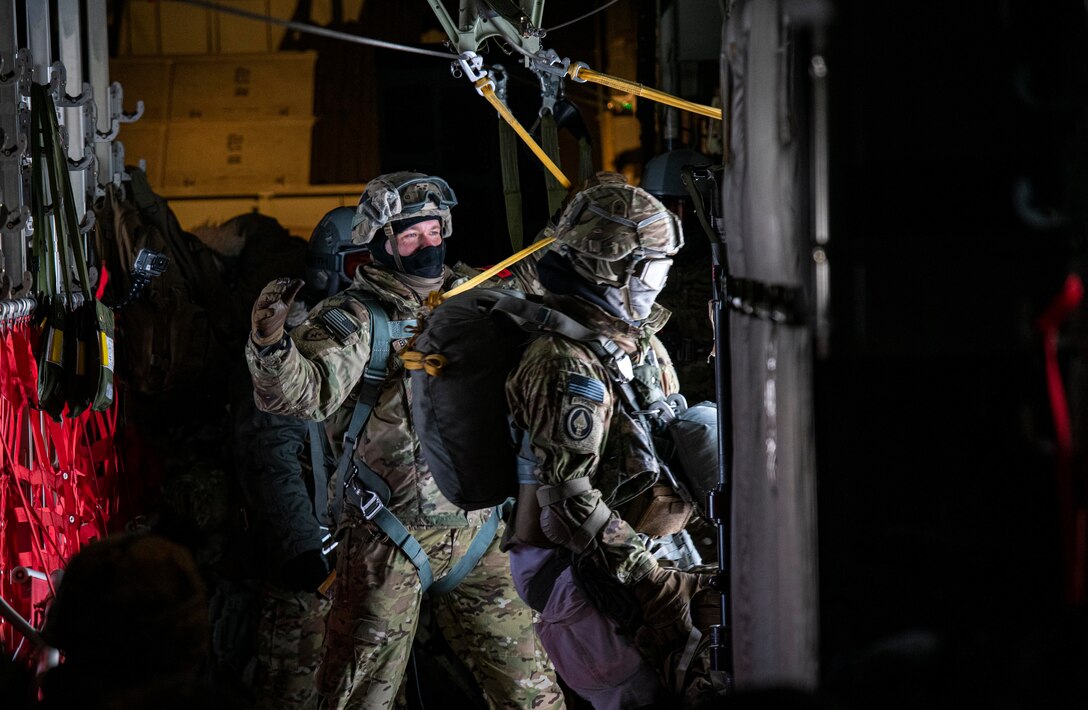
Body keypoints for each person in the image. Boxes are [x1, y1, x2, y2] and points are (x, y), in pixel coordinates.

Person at [245, 172, 565, 710]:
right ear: (382, 241)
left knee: (531, 689)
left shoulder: (479, 295)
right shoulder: (355, 319)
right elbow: (302, 397)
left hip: (480, 530)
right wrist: (271, 344)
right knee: (359, 697)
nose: (427, 245)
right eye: (411, 235)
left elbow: (544, 277)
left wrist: (576, 226)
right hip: (387, 536)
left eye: (434, 231)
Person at [504, 174, 717, 708]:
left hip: (649, 549)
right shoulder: (562, 362)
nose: (660, 283)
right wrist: (653, 584)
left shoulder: (632, 339)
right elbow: (568, 504)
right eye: (652, 270)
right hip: (596, 582)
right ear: (612, 269)